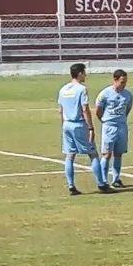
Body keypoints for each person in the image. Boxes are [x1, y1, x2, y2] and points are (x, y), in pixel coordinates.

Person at [58, 63, 107, 195]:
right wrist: (90, 127)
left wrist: (63, 125)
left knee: (69, 155)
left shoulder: (63, 89)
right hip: (79, 124)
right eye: (84, 72)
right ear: (79, 73)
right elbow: (85, 109)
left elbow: (60, 110)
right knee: (93, 153)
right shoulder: (81, 89)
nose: (85, 75)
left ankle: (71, 185)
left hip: (67, 124)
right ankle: (101, 184)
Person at [95, 69, 133, 189]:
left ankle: (116, 179)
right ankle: (103, 180)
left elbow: (127, 109)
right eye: (122, 82)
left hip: (121, 126)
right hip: (109, 126)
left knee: (119, 153)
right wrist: (105, 120)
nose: (124, 84)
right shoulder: (105, 94)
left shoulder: (128, 95)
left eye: (125, 82)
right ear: (115, 80)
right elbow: (98, 110)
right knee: (106, 154)